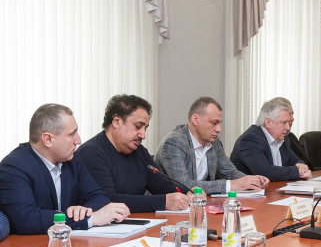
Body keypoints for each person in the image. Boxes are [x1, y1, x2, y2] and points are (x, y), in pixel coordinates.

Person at [0, 104, 129, 235]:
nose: (78, 140)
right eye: (72, 134)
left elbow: (100, 198)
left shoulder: (72, 159)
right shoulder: (14, 166)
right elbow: (26, 219)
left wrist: (81, 211)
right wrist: (91, 218)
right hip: (31, 244)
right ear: (48, 139)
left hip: (68, 241)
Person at [78, 95, 189, 213]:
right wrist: (163, 202)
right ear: (116, 121)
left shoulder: (139, 151)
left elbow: (162, 186)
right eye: (138, 127)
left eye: (145, 128)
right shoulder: (91, 153)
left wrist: (188, 193)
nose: (143, 135)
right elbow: (108, 200)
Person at [155, 97, 269, 196]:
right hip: (168, 208)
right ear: (195, 119)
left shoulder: (214, 141)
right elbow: (184, 184)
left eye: (219, 123)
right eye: (214, 123)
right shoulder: (174, 142)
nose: (219, 130)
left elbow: (230, 173)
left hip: (202, 203)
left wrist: (252, 180)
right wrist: (233, 185)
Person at [230, 98, 312, 181]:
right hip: (250, 189)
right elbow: (265, 172)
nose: (288, 127)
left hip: (274, 187)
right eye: (284, 122)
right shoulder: (250, 140)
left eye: (288, 122)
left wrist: (301, 166)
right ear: (268, 123)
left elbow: (295, 160)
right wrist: (297, 172)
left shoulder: (283, 138)